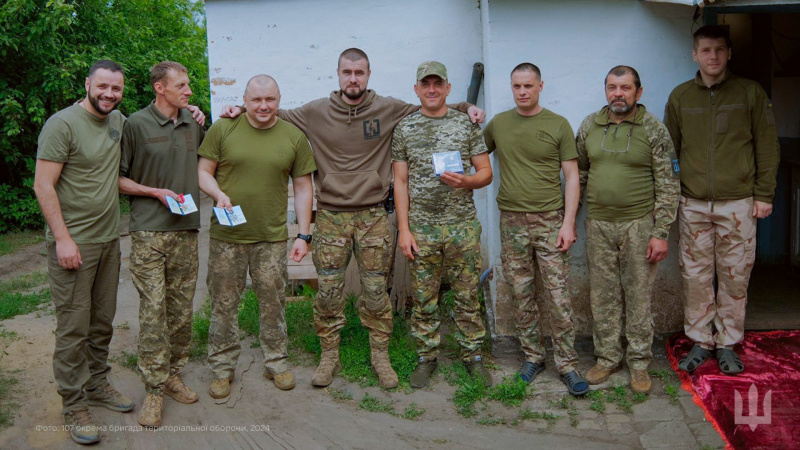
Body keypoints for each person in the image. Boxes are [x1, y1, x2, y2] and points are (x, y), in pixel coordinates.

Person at [221, 48, 484, 389]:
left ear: (368, 75)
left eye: (359, 72)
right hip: (331, 217)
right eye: (347, 72)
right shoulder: (315, 112)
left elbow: (429, 105)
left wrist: (466, 106)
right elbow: (272, 112)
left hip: (373, 216)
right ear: (338, 74)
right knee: (328, 293)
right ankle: (329, 357)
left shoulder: (387, 108)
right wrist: (238, 108)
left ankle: (381, 358)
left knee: (375, 292)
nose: (353, 79)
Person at [664, 26, 780, 374]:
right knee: (695, 276)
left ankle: (728, 343)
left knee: (735, 275)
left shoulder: (750, 92)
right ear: (694, 55)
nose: (712, 56)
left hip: (738, 203)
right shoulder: (681, 97)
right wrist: (673, 195)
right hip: (693, 203)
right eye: (705, 50)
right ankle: (701, 341)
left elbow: (767, 146)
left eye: (719, 49)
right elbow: (670, 151)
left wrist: (764, 194)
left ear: (729, 53)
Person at [33, 60, 134, 445]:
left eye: (116, 89)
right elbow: (43, 185)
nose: (109, 94)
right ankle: (74, 403)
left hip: (109, 240)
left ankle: (96, 384)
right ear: (88, 84)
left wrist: (192, 111)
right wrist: (62, 238)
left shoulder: (117, 121)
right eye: (103, 86)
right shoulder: (62, 124)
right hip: (74, 242)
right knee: (74, 327)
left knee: (102, 321)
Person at [198, 75, 315, 399]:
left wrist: (303, 235)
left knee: (273, 303)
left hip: (271, 238)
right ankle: (222, 368)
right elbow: (203, 172)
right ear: (245, 100)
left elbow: (303, 187)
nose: (264, 106)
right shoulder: (223, 129)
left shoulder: (293, 136)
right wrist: (218, 194)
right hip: (227, 237)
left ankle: (276, 362)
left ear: (279, 99)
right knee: (223, 304)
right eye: (256, 100)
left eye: (270, 99)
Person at [483, 63, 588, 395]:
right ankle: (533, 357)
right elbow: (476, 153)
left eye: (528, 85)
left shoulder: (557, 124)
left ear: (540, 86)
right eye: (517, 86)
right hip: (512, 221)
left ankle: (567, 364)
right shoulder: (499, 124)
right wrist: (469, 114)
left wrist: (568, 222)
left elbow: (572, 176)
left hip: (550, 220)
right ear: (511, 87)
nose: (522, 91)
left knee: (558, 295)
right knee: (521, 292)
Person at [576, 66, 680, 394]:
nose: (618, 94)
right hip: (598, 224)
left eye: (625, 87)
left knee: (638, 296)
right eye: (612, 87)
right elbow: (579, 175)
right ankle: (607, 358)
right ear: (605, 90)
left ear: (638, 91)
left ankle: (638, 363)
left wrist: (660, 232)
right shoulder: (590, 126)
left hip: (639, 223)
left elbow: (668, 183)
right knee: (602, 295)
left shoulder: (653, 129)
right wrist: (568, 219)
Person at [392, 61, 493, 388]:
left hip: (461, 226)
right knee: (424, 298)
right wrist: (404, 229)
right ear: (417, 89)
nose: (432, 89)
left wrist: (467, 181)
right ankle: (426, 357)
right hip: (422, 229)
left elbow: (486, 172)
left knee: (467, 295)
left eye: (438, 84)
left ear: (448, 88)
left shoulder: (466, 125)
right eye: (426, 84)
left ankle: (473, 356)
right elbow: (400, 181)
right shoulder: (405, 128)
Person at [119, 61, 205, 427]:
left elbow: (210, 163)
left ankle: (173, 375)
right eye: (181, 85)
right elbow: (117, 178)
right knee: (154, 311)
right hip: (149, 232)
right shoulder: (135, 125)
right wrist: (154, 192)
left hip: (186, 229)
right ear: (160, 87)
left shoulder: (193, 123)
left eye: (188, 85)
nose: (188, 91)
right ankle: (153, 390)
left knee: (181, 311)